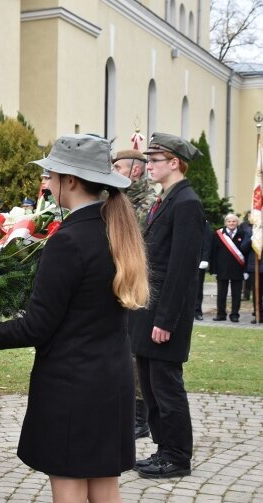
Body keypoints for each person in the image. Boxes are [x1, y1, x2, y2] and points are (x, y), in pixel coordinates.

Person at [0, 134, 147, 503]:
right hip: (111, 379)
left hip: (72, 387)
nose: (47, 183)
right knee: (106, 496)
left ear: (69, 180)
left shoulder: (68, 241)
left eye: (51, 174)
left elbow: (35, 327)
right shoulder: (114, 230)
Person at [129, 132, 205, 479]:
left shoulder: (186, 202)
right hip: (148, 311)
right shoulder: (167, 199)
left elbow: (181, 269)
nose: (149, 167)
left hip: (163, 315)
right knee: (151, 384)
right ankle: (163, 449)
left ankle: (177, 456)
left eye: (155, 161)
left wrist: (167, 320)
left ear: (175, 163)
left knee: (166, 387)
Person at [112, 148, 157, 440]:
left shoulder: (148, 203)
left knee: (135, 351)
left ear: (134, 170)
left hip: (137, 285)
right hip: (116, 281)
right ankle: (125, 409)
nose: (113, 169)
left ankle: (140, 417)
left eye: (117, 166)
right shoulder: (118, 198)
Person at [210, 213, 250, 322]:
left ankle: (235, 315)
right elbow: (213, 253)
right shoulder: (218, 234)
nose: (231, 223)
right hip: (222, 269)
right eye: (229, 221)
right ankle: (221, 314)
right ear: (225, 223)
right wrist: (213, 270)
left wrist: (246, 270)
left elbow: (246, 254)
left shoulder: (243, 234)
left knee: (236, 294)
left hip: (238, 269)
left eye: (234, 221)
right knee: (221, 294)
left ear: (237, 223)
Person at [195, 220, 213, 320]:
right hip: (184, 261)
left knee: (197, 288)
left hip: (199, 262)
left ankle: (197, 311)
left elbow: (207, 241)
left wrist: (205, 259)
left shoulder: (204, 223)